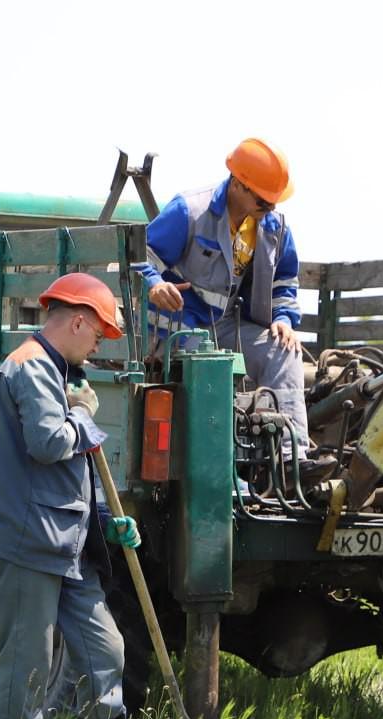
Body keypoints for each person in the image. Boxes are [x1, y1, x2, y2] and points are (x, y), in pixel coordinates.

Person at [0, 271, 142, 719]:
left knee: (106, 650)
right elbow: (49, 444)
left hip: (69, 545)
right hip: (30, 542)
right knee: (26, 660)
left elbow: (72, 471)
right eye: (96, 335)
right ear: (77, 321)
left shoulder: (59, 373)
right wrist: (84, 416)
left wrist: (105, 522)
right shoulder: (29, 368)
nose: (95, 347)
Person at [137, 137, 332, 480]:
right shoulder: (190, 212)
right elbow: (138, 258)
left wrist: (284, 319)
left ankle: (290, 459)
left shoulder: (274, 228)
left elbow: (284, 281)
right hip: (174, 327)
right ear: (238, 184)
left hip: (223, 326)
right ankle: (219, 471)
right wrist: (155, 285)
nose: (269, 208)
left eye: (274, 202)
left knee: (284, 352)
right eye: (262, 200)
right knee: (208, 363)